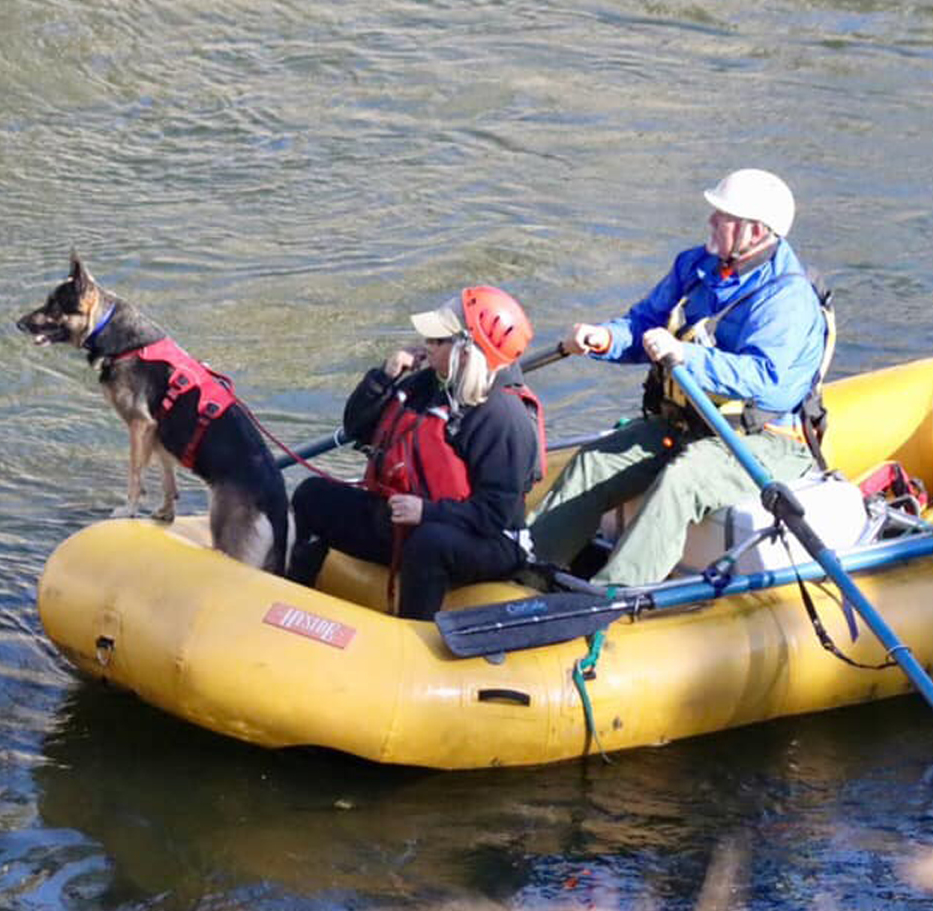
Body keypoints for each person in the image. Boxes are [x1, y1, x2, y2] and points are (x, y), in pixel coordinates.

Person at [527, 169, 833, 588]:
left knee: (682, 480)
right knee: (594, 462)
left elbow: (768, 379)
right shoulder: (697, 266)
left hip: (760, 440)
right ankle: (526, 564)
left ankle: (612, 592)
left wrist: (688, 355)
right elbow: (644, 324)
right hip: (688, 425)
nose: (710, 221)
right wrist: (605, 338)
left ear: (756, 232)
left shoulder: (786, 299)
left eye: (723, 216)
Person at [287, 286, 546, 620]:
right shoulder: (423, 386)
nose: (427, 344)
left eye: (438, 340)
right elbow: (357, 428)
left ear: (465, 352)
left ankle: (412, 635)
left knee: (429, 542)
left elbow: (495, 515)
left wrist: (427, 512)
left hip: (485, 540)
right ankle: (290, 595)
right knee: (312, 495)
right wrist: (385, 376)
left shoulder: (502, 419)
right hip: (404, 519)